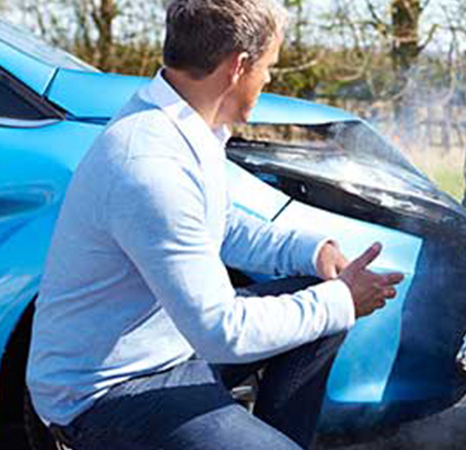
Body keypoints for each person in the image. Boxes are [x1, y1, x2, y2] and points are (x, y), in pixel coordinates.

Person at [25, 1, 404, 449]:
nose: (268, 80)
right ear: (239, 66)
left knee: (317, 295)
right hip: (106, 392)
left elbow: (217, 225)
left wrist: (313, 251)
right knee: (329, 305)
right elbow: (222, 331)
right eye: (268, 68)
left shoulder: (181, 125)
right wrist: (341, 299)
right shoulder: (148, 163)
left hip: (170, 350)